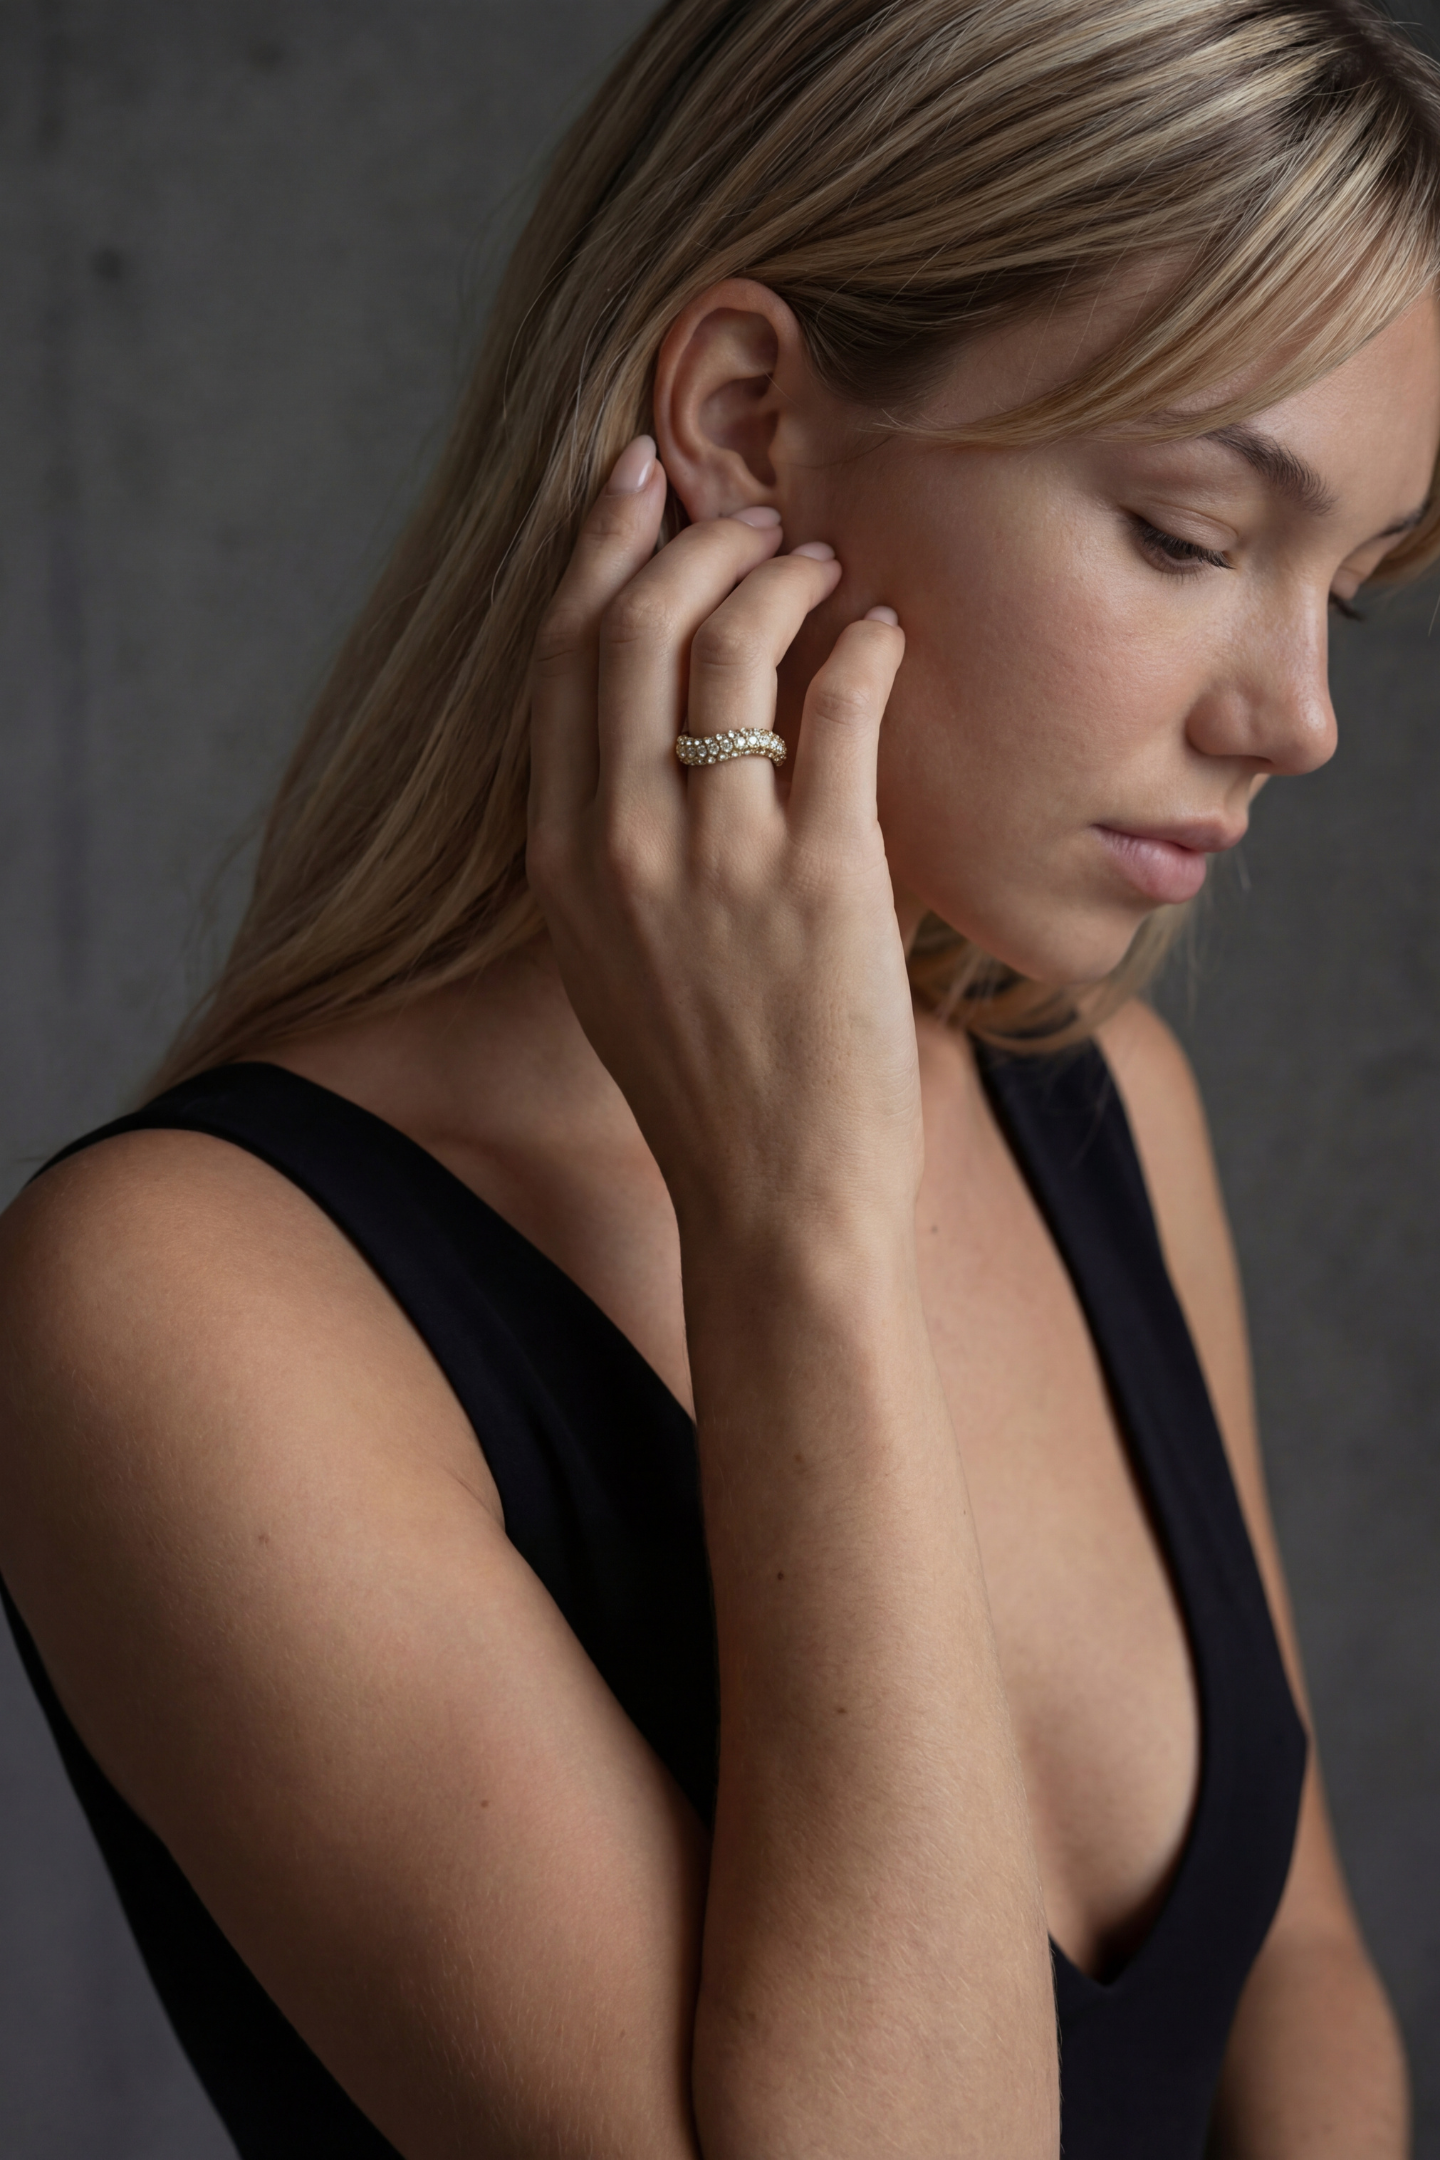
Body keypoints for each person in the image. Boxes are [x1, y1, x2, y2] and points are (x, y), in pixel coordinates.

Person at [2, 0, 1437, 2153]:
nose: (1301, 717)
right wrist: (797, 1233)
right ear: (749, 421)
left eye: (1361, 589)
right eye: (1189, 533)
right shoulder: (180, 1311)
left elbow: (1298, 1974)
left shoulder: (1105, 1106)